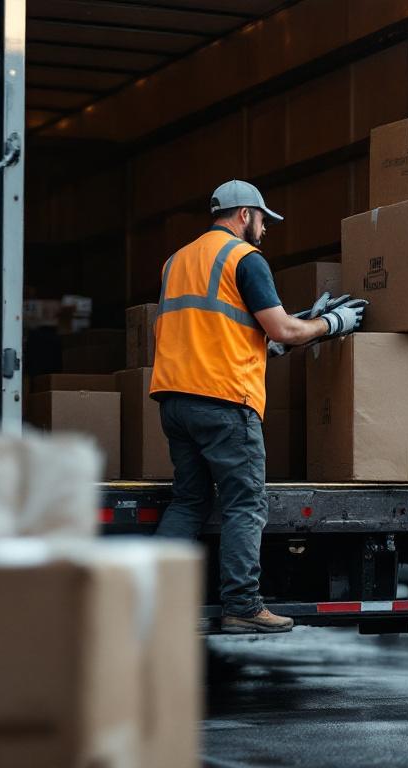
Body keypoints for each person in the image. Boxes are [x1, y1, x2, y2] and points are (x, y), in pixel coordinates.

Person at [148, 180, 366, 633]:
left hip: (174, 400)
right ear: (244, 215)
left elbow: (212, 331)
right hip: (226, 401)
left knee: (188, 501)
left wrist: (274, 339)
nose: (265, 229)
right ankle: (242, 606)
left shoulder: (176, 261)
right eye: (263, 219)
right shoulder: (246, 260)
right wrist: (330, 323)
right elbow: (283, 330)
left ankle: (154, 599)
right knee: (245, 503)